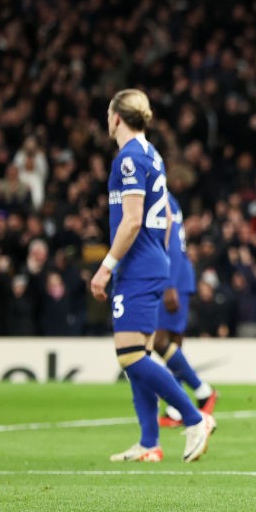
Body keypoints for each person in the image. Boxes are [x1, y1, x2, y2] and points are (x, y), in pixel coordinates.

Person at [89, 88, 215, 463]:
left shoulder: (128, 159)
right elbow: (167, 219)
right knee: (138, 354)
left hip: (137, 266)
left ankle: (195, 418)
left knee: (129, 356)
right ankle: (148, 442)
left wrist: (106, 267)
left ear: (115, 118)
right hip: (150, 261)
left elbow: (131, 220)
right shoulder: (151, 154)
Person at [156, 193, 218, 428]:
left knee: (159, 341)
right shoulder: (165, 198)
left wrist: (169, 283)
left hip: (173, 278)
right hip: (177, 275)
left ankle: (202, 391)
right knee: (172, 345)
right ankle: (177, 407)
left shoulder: (160, 200)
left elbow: (171, 243)